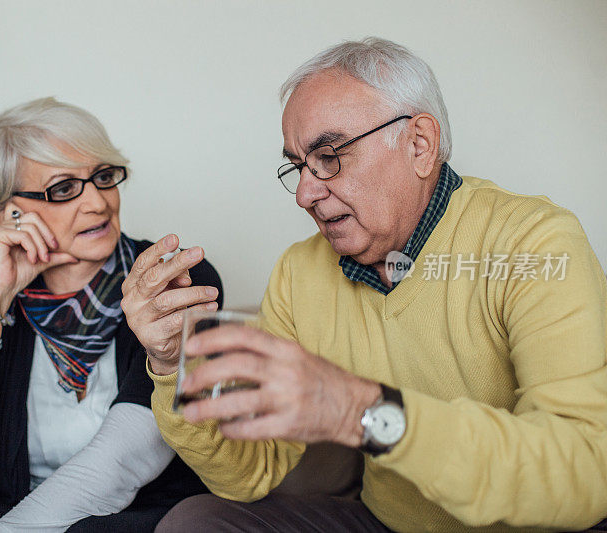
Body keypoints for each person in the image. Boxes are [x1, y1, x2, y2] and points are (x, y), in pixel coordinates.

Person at [122, 38, 607, 531]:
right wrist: (169, 360)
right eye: (298, 167)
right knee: (197, 521)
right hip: (385, 524)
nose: (306, 194)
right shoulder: (299, 272)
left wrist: (364, 411)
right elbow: (250, 472)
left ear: (420, 144)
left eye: (329, 156)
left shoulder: (534, 242)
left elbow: (585, 470)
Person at [0, 97, 222, 532]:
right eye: (64, 189)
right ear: (8, 214)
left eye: (103, 177)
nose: (98, 204)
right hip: (22, 509)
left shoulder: (172, 277)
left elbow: (128, 456)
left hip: (138, 515)